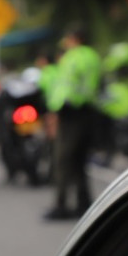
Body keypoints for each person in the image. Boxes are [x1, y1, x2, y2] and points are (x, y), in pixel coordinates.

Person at [42, 25, 101, 220]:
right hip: (89, 113)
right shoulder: (93, 56)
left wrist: (55, 112)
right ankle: (84, 203)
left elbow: (66, 88)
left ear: (74, 39)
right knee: (79, 161)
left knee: (63, 160)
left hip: (70, 114)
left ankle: (61, 205)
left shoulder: (71, 58)